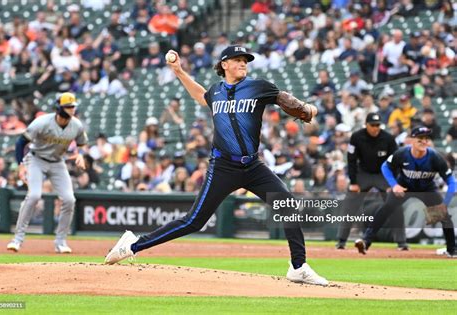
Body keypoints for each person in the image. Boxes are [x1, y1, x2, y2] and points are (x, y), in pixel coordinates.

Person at [105, 45, 328, 286]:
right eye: (238, 59)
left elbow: (283, 98)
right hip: (222, 167)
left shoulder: (257, 86)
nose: (243, 63)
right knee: (194, 221)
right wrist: (179, 71)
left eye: (245, 60)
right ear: (224, 64)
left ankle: (298, 267)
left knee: (287, 205)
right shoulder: (216, 92)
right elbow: (200, 96)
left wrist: (305, 108)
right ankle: (133, 245)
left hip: (253, 166)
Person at [355, 126, 456, 258]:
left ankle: (452, 249)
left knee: (443, 216)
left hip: (427, 189)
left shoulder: (434, 157)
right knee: (385, 209)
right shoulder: (402, 153)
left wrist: (445, 202)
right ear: (411, 141)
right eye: (420, 139)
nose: (424, 141)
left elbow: (452, 182)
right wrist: (394, 185)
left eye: (426, 138)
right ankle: (366, 241)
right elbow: (385, 166)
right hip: (404, 188)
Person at [6, 92, 88, 253]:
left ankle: (60, 242)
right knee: (34, 195)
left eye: (73, 106)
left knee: (69, 199)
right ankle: (17, 239)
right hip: (36, 160)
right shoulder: (42, 122)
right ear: (59, 108)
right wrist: (21, 165)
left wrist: (81, 154)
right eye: (68, 106)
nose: (72, 109)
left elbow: (82, 143)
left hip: (58, 162)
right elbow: (21, 142)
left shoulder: (76, 125)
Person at [336, 113, 407, 250]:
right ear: (366, 125)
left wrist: (393, 184)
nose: (376, 128)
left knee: (395, 203)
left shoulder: (388, 138)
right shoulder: (357, 137)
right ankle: (341, 241)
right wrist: (353, 182)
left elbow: (397, 161)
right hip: (364, 173)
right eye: (373, 125)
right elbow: (351, 160)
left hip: (383, 174)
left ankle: (401, 242)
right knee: (350, 204)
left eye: (378, 125)